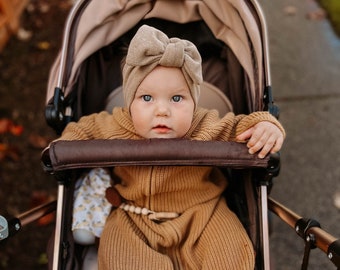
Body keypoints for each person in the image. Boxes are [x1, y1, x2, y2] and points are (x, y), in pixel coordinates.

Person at [58, 25, 285, 269]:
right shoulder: (116, 124)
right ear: (130, 101)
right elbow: (82, 130)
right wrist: (63, 145)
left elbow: (241, 126)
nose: (162, 110)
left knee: (231, 254)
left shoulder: (203, 125)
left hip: (203, 213)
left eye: (177, 98)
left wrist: (265, 125)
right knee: (119, 256)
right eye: (147, 98)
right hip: (134, 215)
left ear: (193, 103)